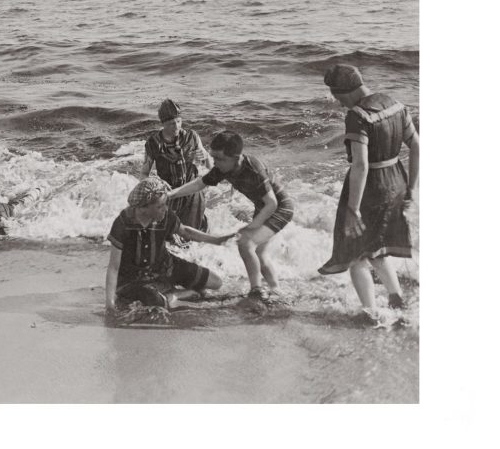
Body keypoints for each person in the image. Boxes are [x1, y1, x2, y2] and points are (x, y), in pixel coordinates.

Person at [318, 64, 419, 312]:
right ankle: (396, 299)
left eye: (338, 97)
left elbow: (361, 166)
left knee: (355, 253)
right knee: (376, 245)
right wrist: (411, 189)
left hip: (370, 187)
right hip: (395, 180)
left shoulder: (358, 115)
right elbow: (417, 146)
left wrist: (353, 208)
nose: (340, 103)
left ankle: (370, 313)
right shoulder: (395, 104)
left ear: (344, 91)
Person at [167, 131, 294, 302]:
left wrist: (250, 227)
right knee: (260, 254)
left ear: (236, 157)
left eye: (219, 159)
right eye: (213, 157)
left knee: (246, 242)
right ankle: (276, 291)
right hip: (263, 208)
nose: (214, 162)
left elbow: (272, 203)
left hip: (280, 209)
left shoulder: (253, 168)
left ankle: (256, 290)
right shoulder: (223, 168)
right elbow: (199, 184)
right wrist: (172, 194)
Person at [105, 177, 234, 313]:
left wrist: (217, 240)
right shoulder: (123, 223)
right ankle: (172, 295)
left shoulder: (165, 216)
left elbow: (186, 232)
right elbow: (113, 267)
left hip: (166, 267)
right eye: (159, 206)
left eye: (165, 204)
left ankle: (174, 294)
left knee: (216, 282)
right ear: (144, 208)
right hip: (133, 278)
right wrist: (110, 305)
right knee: (156, 302)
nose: (165, 209)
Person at [140, 99, 214, 232]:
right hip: (169, 194)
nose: (176, 127)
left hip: (192, 192)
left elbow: (211, 168)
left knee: (192, 235)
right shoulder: (153, 144)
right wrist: (150, 188)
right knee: (170, 233)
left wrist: (206, 157)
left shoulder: (192, 137)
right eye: (171, 124)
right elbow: (144, 173)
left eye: (178, 122)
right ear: (163, 124)